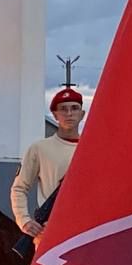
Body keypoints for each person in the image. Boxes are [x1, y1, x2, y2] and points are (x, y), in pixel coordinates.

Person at [9, 87, 84, 240]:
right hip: (49, 233)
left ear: (82, 114)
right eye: (63, 109)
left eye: (74, 108)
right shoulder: (39, 149)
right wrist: (24, 220)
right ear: (55, 115)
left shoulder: (92, 149)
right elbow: (19, 188)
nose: (69, 113)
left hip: (84, 233)